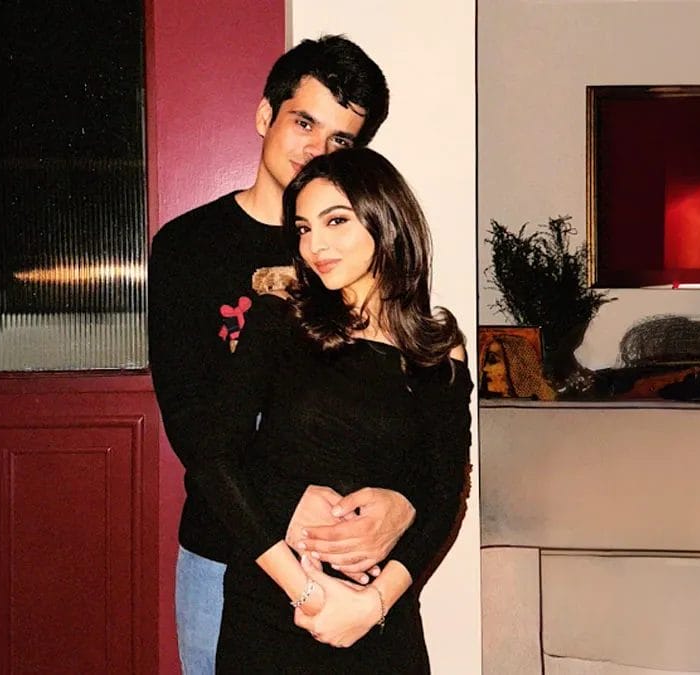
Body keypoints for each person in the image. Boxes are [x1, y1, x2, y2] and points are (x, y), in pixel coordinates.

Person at [148, 35, 416, 673]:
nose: (318, 150)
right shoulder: (189, 246)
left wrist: (402, 506)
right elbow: (187, 413)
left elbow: (410, 410)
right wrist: (284, 499)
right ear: (266, 115)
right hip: (223, 546)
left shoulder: (356, 249)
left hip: (347, 559)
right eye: (304, 123)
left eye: (341, 139)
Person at [194, 147, 472, 673]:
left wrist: (373, 603)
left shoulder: (437, 349)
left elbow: (443, 490)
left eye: (336, 221)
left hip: (382, 616)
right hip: (274, 605)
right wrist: (307, 593)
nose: (314, 245)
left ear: (386, 219)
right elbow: (214, 458)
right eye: (303, 228)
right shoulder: (281, 321)